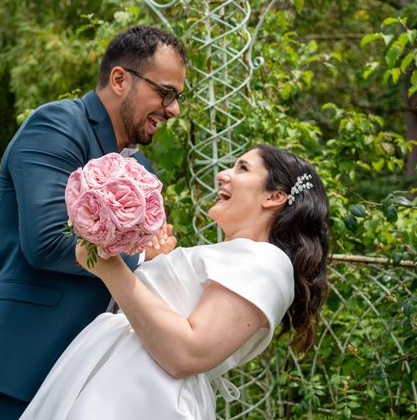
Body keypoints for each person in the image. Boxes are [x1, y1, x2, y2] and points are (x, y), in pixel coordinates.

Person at [0, 25, 188, 419]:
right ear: (120, 79)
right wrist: (142, 258)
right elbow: (47, 243)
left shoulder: (141, 166)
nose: (173, 109)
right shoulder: (56, 126)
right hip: (24, 363)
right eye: (165, 93)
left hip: (94, 379)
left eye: (177, 97)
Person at [20, 144, 330, 419]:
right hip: (117, 381)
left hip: (146, 398)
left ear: (274, 197)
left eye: (242, 168)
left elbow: (188, 353)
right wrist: (156, 263)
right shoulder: (237, 255)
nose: (222, 174)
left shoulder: (267, 263)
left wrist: (111, 268)